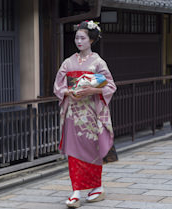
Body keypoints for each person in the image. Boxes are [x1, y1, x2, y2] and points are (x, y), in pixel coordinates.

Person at [53, 20, 117, 208]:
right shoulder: (68, 62)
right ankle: (76, 191)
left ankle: (96, 187)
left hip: (91, 114)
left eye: (82, 38)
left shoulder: (98, 62)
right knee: (74, 152)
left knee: (93, 150)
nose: (78, 41)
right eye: (76, 38)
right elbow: (58, 86)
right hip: (73, 113)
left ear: (91, 40)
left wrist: (92, 90)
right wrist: (68, 92)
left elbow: (111, 85)